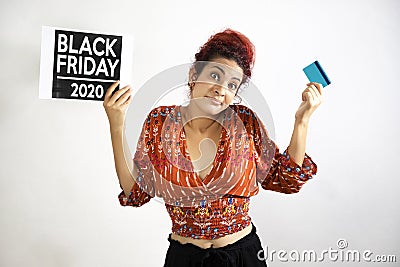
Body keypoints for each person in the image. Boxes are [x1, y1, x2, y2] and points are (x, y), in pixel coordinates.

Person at [103, 28, 323, 267]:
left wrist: (302, 120)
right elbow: (136, 190)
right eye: (215, 76)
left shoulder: (245, 124)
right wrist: (117, 124)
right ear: (193, 75)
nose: (221, 89)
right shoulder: (160, 123)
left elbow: (286, 178)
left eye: (232, 84)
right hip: (184, 259)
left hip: (242, 257)